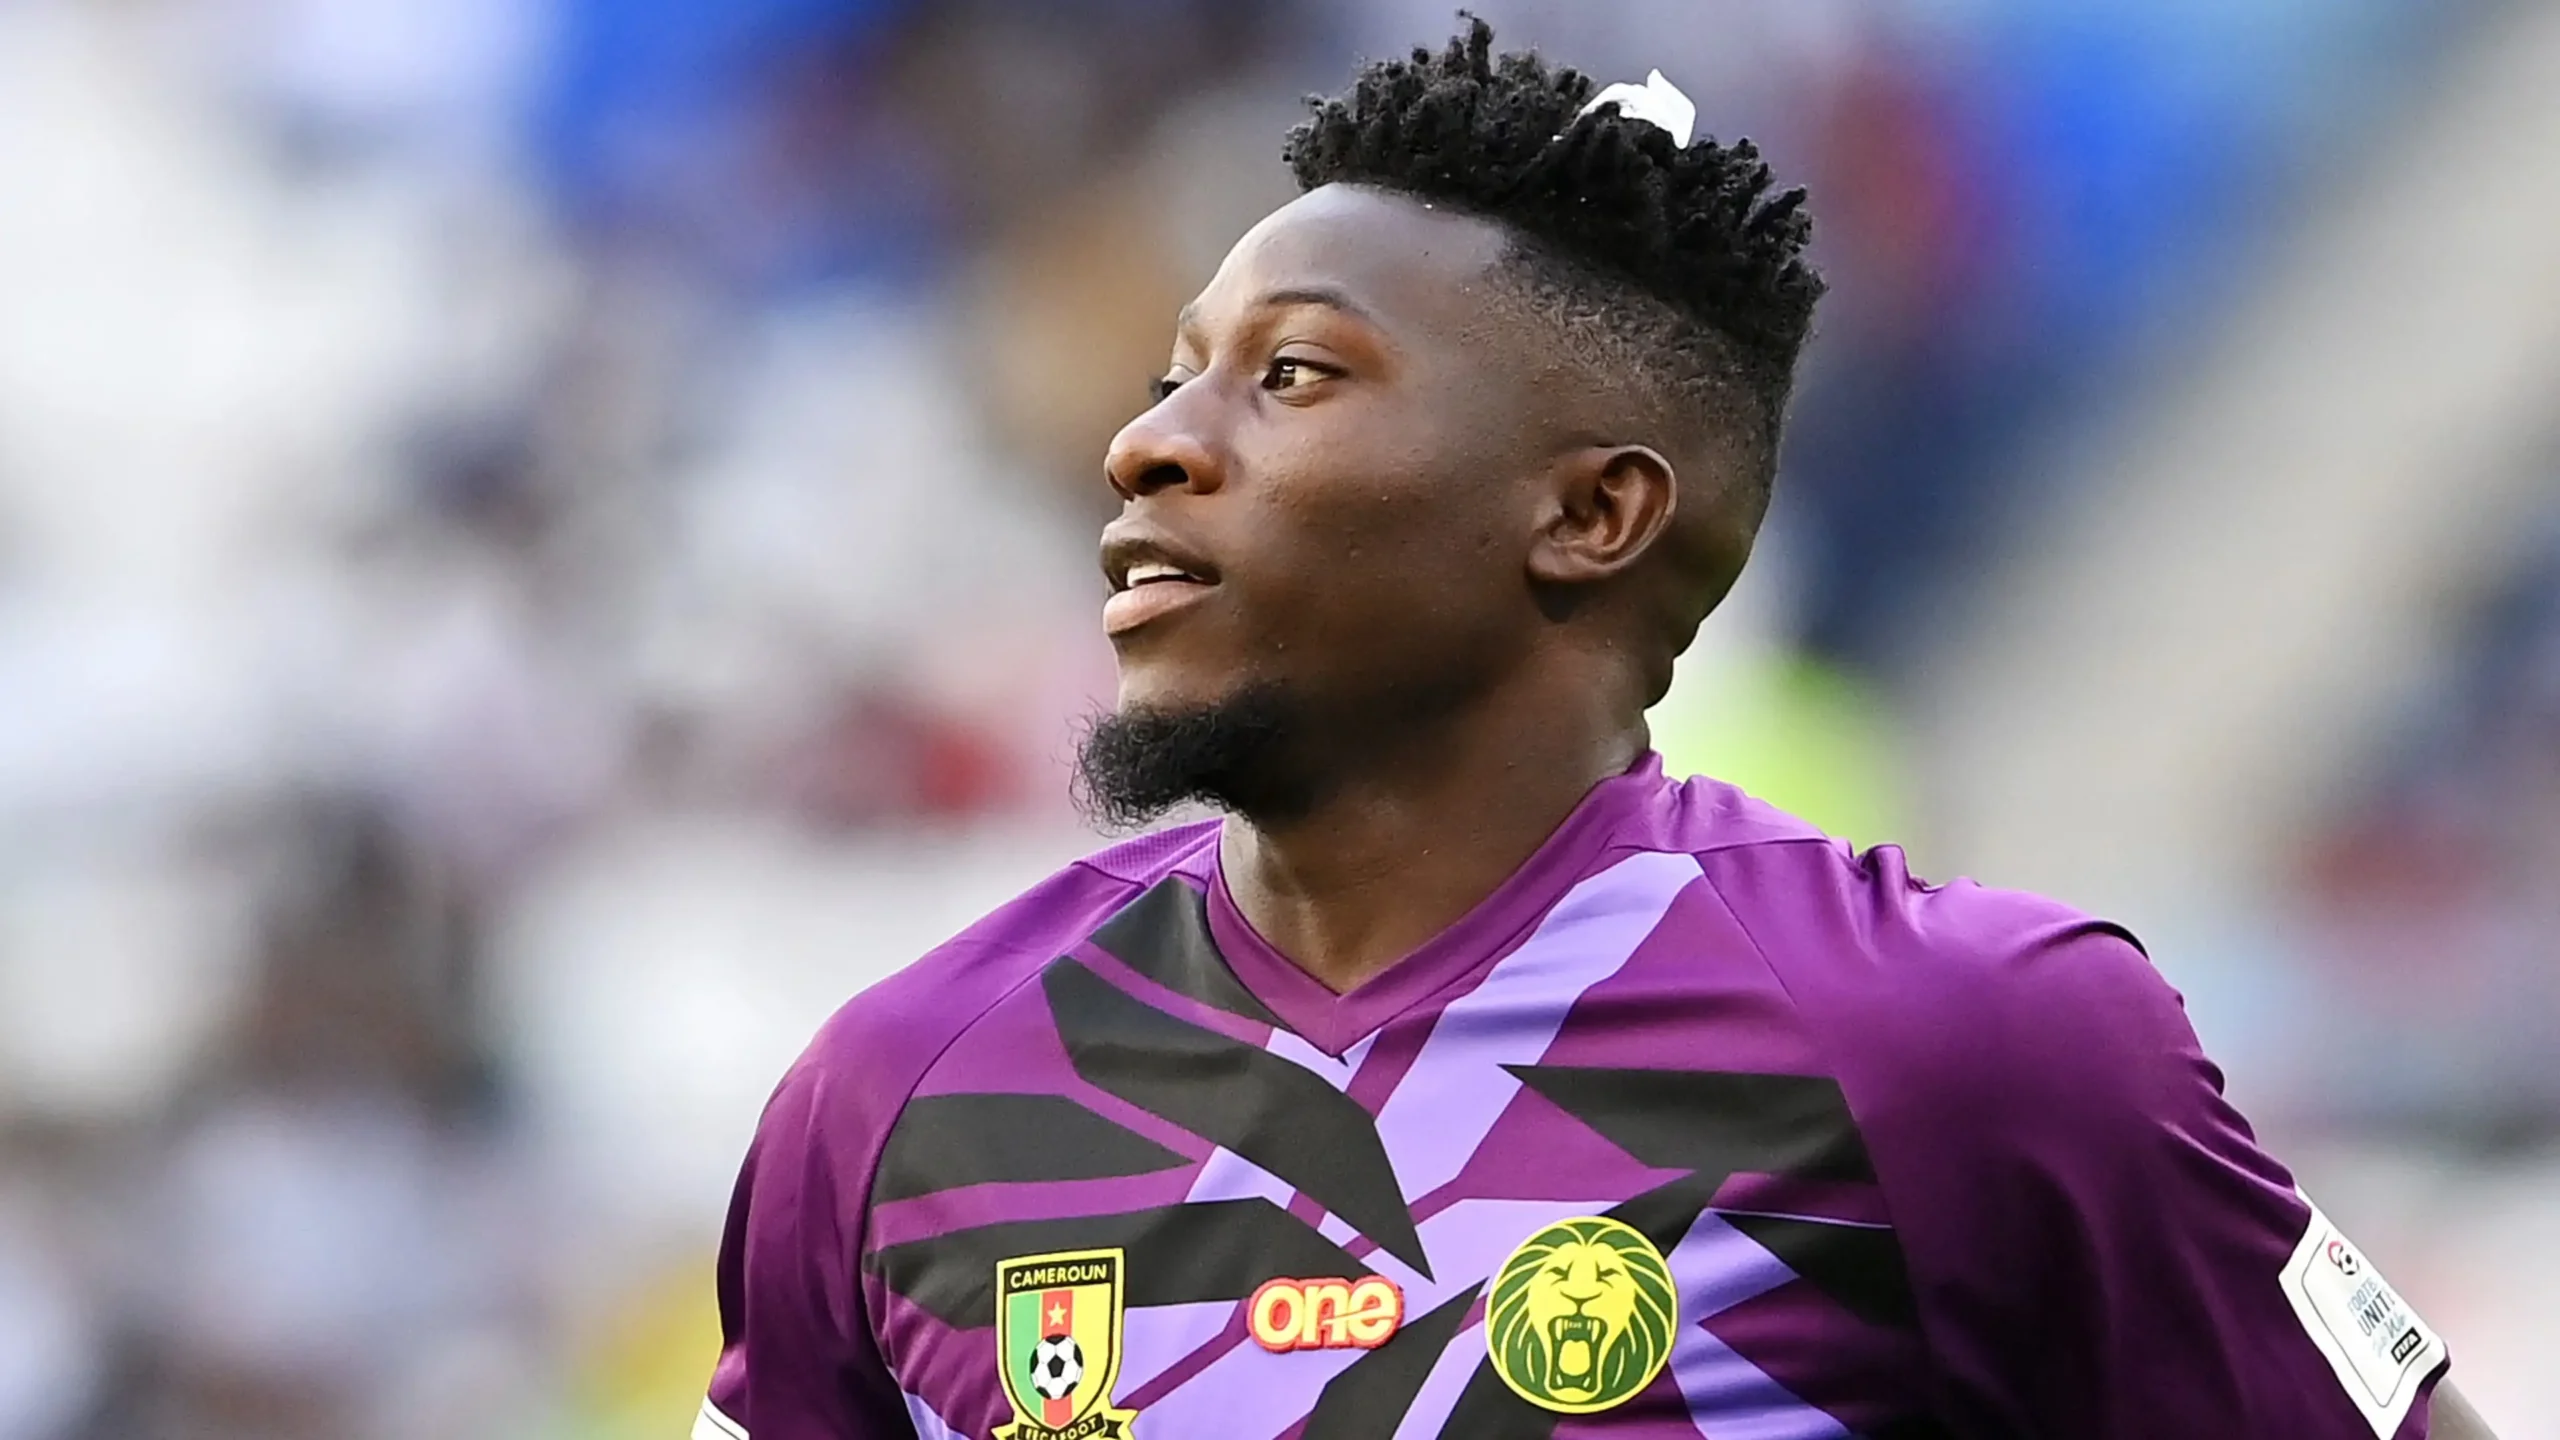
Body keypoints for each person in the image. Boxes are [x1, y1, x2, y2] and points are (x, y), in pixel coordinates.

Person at [697, 20, 2496, 1439]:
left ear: (1591, 514)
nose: (1152, 441)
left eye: (1292, 374)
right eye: (1178, 374)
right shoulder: (900, 1094)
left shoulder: (1967, 1055)